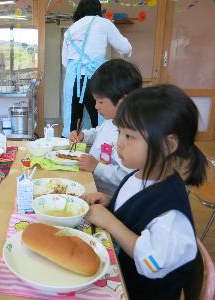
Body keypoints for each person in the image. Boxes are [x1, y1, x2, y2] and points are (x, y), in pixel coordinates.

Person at [83, 84, 207, 300]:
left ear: (168, 145)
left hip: (135, 291)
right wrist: (110, 202)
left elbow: (151, 262)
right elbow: (138, 210)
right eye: (119, 132)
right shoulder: (140, 174)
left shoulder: (172, 218)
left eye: (129, 136)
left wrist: (110, 222)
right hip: (119, 272)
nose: (118, 143)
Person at [69, 59, 142, 195]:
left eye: (100, 101)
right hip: (91, 183)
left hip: (109, 198)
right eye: (95, 100)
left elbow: (128, 177)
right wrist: (83, 135)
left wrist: (97, 167)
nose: (96, 106)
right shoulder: (110, 122)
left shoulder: (131, 137)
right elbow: (97, 133)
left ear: (123, 101)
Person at [62, 0, 132, 137]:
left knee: (73, 123)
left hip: (73, 79)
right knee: (100, 119)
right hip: (96, 78)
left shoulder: (71, 29)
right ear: (98, 10)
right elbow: (124, 47)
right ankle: (100, 151)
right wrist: (127, 52)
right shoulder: (103, 23)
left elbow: (65, 61)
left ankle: (70, 154)